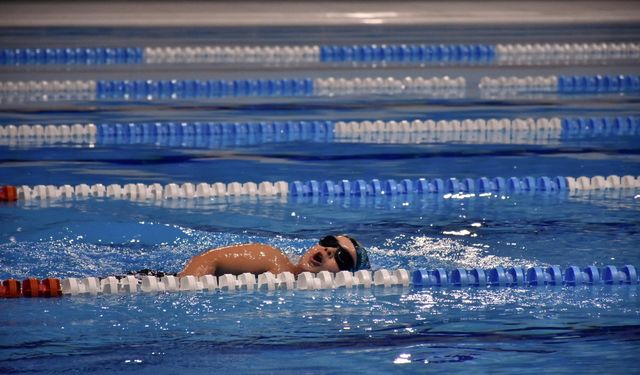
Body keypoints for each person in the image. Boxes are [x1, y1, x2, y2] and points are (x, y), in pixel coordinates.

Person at [178, 235, 370, 277]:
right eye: (330, 242)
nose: (329, 250)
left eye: (341, 257)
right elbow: (207, 259)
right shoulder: (272, 258)